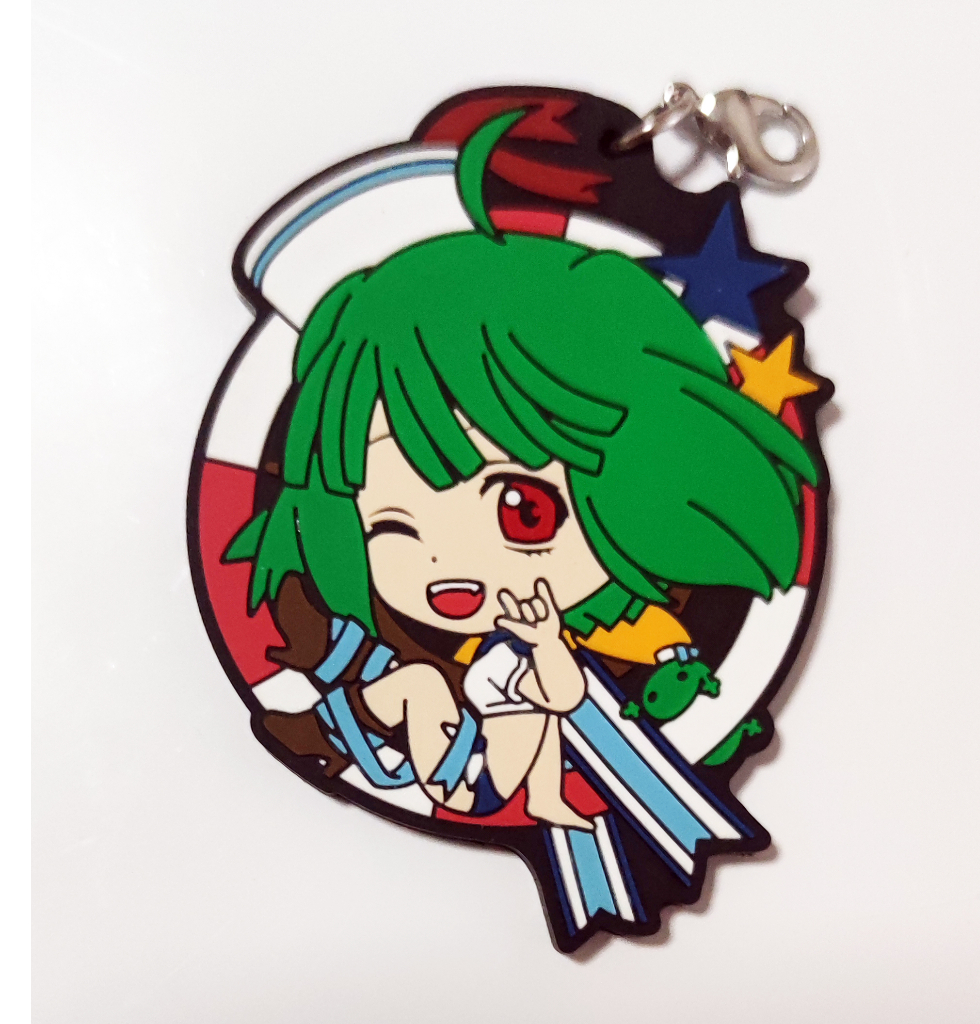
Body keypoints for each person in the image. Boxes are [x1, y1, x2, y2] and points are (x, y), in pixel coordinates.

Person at [226, 111, 817, 827]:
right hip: (460, 769)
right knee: (419, 686)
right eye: (392, 529)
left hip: (476, 778)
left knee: (422, 687)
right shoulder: (492, 651)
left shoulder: (533, 647)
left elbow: (561, 702)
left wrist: (542, 649)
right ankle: (333, 728)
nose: (446, 565)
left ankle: (337, 728)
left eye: (522, 512)